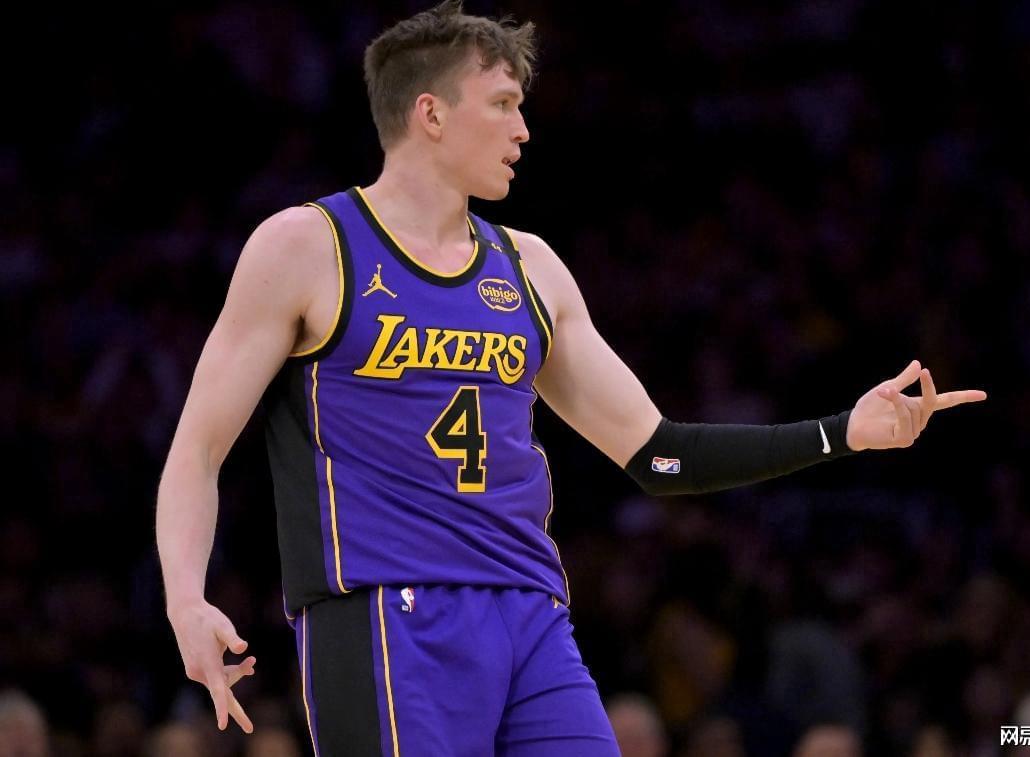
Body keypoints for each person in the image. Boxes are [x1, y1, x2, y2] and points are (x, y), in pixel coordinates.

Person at [155, 1, 988, 754]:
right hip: (387, 611)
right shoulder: (307, 246)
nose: (524, 129)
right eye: (503, 104)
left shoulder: (532, 268)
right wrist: (185, 599)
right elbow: (197, 448)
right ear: (431, 113)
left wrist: (844, 431)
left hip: (531, 615)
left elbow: (660, 454)